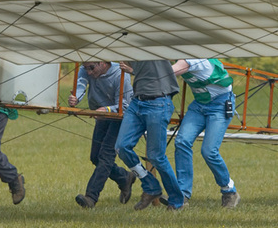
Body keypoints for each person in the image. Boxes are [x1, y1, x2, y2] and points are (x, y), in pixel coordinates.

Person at [115, 60, 185, 211]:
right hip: (137, 101)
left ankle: (177, 201)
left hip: (159, 101)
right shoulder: (129, 48)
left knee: (156, 156)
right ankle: (150, 185)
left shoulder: (157, 42)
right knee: (121, 146)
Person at [172, 59, 240, 208]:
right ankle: (182, 195)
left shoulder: (195, 59)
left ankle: (229, 190)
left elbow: (168, 73)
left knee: (209, 151)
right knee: (182, 142)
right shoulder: (185, 56)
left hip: (220, 104)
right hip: (200, 104)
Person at [69, 61, 135, 208]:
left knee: (106, 156)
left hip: (119, 117)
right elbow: (80, 83)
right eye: (86, 68)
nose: (89, 72)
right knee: (95, 157)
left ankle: (91, 197)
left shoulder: (120, 74)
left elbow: (126, 105)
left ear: (104, 63)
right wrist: (75, 98)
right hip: (101, 115)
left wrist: (106, 110)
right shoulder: (86, 68)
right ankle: (124, 177)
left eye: (92, 68)